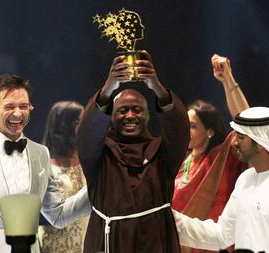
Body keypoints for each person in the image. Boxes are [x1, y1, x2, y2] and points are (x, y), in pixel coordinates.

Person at [0, 74, 91, 253]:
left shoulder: (40, 153)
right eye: (9, 106)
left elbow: (57, 215)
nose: (18, 113)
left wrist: (99, 186)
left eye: (23, 106)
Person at [76, 50, 190, 253]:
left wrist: (156, 87)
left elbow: (179, 130)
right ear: (110, 117)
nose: (130, 115)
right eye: (122, 110)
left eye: (137, 110)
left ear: (148, 115)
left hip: (156, 241)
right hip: (108, 241)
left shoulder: (162, 153)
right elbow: (87, 133)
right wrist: (108, 88)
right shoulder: (100, 154)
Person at [173, 106, 269, 252]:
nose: (234, 143)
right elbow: (222, 235)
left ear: (261, 142)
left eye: (240, 137)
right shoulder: (245, 179)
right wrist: (168, 218)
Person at [172, 55, 249, 253]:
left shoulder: (222, 158)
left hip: (214, 246)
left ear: (210, 131)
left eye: (192, 126)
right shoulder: (179, 162)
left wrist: (227, 79)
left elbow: (247, 124)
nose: (185, 130)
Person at [37, 101, 88, 253]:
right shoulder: (42, 165)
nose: (83, 127)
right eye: (79, 122)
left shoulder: (87, 159)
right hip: (54, 242)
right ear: (64, 127)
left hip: (86, 238)